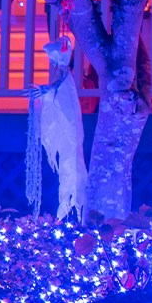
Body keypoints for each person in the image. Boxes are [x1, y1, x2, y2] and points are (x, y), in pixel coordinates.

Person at [26, 35, 87, 221]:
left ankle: (73, 206)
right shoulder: (63, 77)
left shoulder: (64, 77)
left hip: (68, 128)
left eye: (52, 60)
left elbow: (58, 91)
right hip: (64, 124)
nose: (51, 63)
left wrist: (44, 91)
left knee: (70, 160)